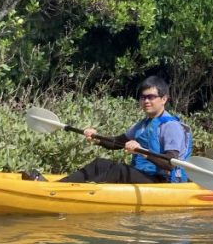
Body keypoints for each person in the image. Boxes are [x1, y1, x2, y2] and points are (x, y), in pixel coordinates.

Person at [56, 76, 192, 184]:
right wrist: (97, 138)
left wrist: (144, 152)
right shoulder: (142, 125)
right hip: (144, 175)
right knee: (100, 163)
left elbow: (170, 163)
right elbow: (116, 142)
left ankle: (80, 193)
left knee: (116, 170)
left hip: (162, 181)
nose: (146, 101)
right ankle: (59, 186)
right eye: (143, 97)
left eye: (151, 97)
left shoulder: (171, 126)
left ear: (164, 99)